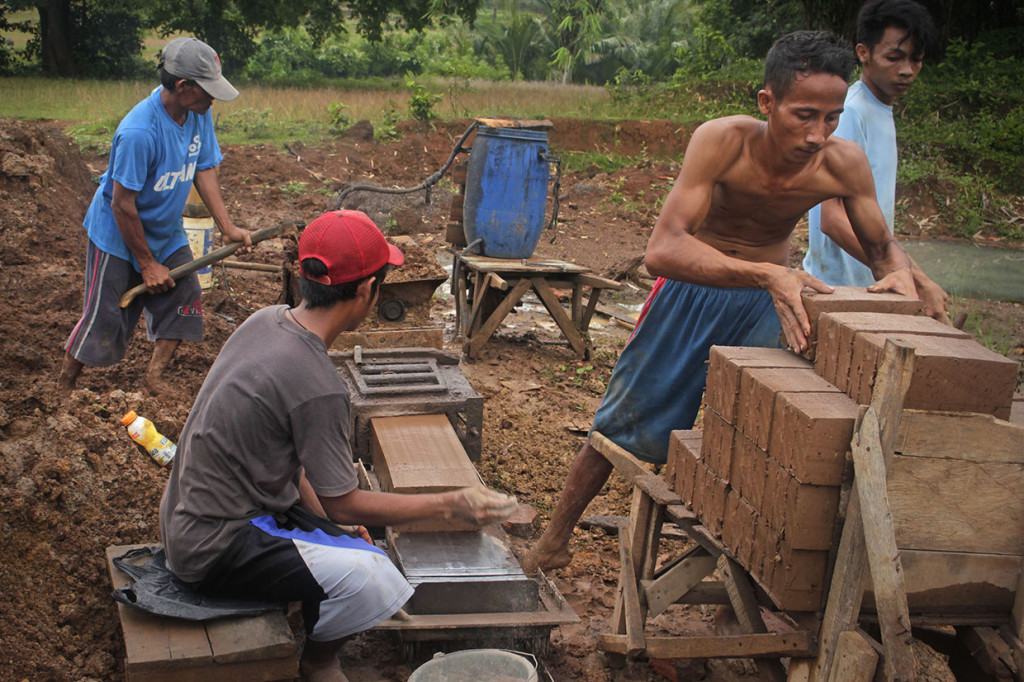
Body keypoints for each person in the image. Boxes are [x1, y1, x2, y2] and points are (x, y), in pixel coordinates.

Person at [524, 30, 946, 574]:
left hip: (770, 304)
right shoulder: (722, 141)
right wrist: (766, 271)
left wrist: (906, 281)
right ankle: (554, 540)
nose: (818, 134)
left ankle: (733, 575)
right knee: (622, 423)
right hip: (691, 292)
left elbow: (882, 247)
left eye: (832, 117)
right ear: (767, 102)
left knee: (757, 441)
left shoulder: (843, 164)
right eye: (804, 115)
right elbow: (664, 249)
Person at [159, 209, 518, 682]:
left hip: (189, 517)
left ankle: (318, 598)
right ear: (368, 290)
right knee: (376, 577)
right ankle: (319, 660)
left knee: (349, 538)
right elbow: (345, 503)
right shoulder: (317, 384)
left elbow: (304, 471)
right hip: (216, 546)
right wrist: (451, 503)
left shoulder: (266, 320)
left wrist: (330, 529)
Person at [58, 37, 251, 395]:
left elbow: (203, 166)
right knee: (104, 316)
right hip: (117, 234)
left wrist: (227, 228)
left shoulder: (198, 113)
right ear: (182, 86)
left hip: (165, 228)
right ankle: (65, 386)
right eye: (207, 90)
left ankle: (155, 377)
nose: (213, 98)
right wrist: (146, 264)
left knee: (185, 296)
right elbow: (121, 205)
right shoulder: (138, 133)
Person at [803, 0, 946, 321]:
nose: (907, 70)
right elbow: (831, 217)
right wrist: (914, 277)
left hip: (870, 283)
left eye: (916, 59)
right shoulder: (851, 112)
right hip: (837, 289)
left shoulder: (881, 108)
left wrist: (904, 272)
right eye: (894, 57)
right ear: (863, 52)